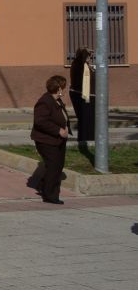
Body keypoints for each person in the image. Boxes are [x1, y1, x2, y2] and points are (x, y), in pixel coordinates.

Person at [30, 75, 71, 205]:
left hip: (58, 140)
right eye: (63, 88)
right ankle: (50, 195)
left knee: (57, 166)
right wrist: (59, 131)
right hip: (46, 140)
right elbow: (40, 121)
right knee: (53, 166)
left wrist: (65, 129)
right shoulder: (45, 101)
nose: (64, 90)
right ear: (58, 88)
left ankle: (45, 186)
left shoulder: (56, 100)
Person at [68, 47, 95, 148]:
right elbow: (81, 57)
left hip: (87, 95)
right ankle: (84, 140)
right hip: (79, 94)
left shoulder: (85, 65)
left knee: (88, 118)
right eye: (88, 56)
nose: (89, 58)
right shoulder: (78, 64)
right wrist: (85, 51)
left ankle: (87, 139)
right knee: (84, 118)